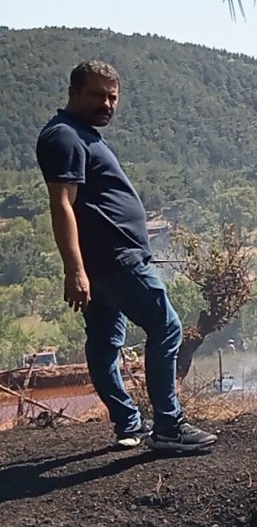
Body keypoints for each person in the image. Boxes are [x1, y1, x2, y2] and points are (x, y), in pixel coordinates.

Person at [36, 60, 218, 453]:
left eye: (112, 97)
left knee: (104, 344)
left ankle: (128, 424)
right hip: (116, 262)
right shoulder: (65, 137)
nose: (107, 104)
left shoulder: (80, 134)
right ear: (73, 92)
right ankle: (169, 427)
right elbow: (62, 205)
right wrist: (75, 270)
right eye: (97, 95)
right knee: (166, 328)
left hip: (104, 263)